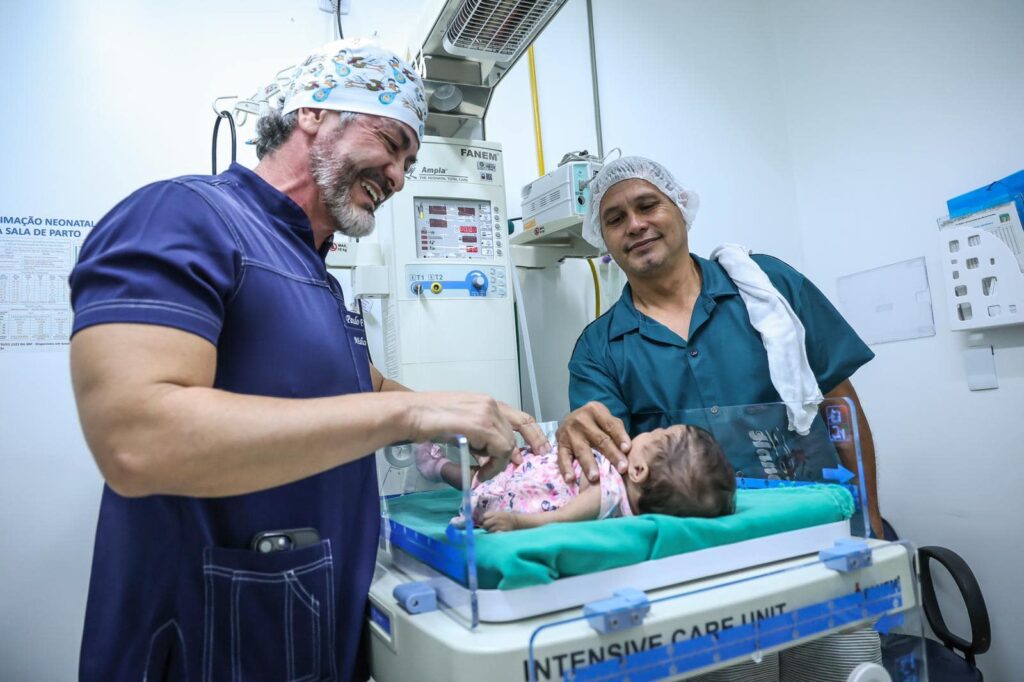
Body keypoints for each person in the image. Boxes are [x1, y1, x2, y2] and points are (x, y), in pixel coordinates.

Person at [68, 39, 546, 682]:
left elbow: (360, 386)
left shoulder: (313, 273)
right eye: (392, 143)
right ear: (314, 113)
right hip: (209, 641)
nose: (399, 177)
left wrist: (464, 423)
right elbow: (136, 438)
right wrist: (414, 414)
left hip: (306, 632)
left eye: (409, 162)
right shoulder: (183, 216)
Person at [553, 156, 883, 681]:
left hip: (816, 545)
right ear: (604, 241)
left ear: (681, 207)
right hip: (696, 578)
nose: (635, 225)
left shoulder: (768, 288)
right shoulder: (599, 351)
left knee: (844, 671)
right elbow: (613, 476)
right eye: (614, 219)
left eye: (647, 205)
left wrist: (869, 517)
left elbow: (839, 405)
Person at [417, 424, 736, 532]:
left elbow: (562, 518)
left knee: (475, 478)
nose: (651, 430)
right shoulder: (616, 480)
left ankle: (437, 465)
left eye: (657, 433)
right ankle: (439, 462)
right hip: (524, 472)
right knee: (479, 472)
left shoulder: (607, 493)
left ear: (639, 471)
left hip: (516, 494)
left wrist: (516, 523)